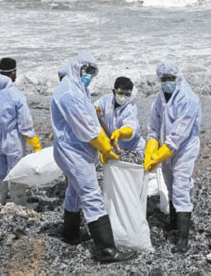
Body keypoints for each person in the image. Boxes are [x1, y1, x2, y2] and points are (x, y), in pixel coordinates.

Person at [51, 53, 136, 263]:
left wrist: (107, 140)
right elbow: (88, 129)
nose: (89, 75)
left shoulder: (78, 89)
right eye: (86, 71)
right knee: (91, 194)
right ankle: (106, 249)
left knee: (74, 191)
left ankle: (70, 234)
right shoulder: (69, 92)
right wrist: (106, 149)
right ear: (76, 69)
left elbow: (92, 117)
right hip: (73, 152)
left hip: (75, 150)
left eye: (92, 72)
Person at [144, 62, 201, 253]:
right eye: (164, 79)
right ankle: (173, 223)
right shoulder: (160, 98)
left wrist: (158, 157)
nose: (167, 82)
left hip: (184, 149)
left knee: (180, 187)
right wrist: (151, 149)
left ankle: (183, 238)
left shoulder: (188, 99)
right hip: (165, 148)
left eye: (171, 79)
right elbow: (153, 126)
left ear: (178, 78)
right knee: (169, 185)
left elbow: (178, 135)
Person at [0, 57, 41, 207]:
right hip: (12, 138)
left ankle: (0, 201)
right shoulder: (16, 94)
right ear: (13, 72)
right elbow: (24, 123)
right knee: (16, 171)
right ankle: (18, 204)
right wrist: (36, 145)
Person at [95, 76, 146, 154]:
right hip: (114, 148)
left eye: (127, 94)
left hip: (133, 149)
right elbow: (95, 108)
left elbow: (130, 127)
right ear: (113, 91)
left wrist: (120, 133)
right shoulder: (106, 100)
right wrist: (95, 109)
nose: (123, 97)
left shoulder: (130, 107)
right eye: (120, 93)